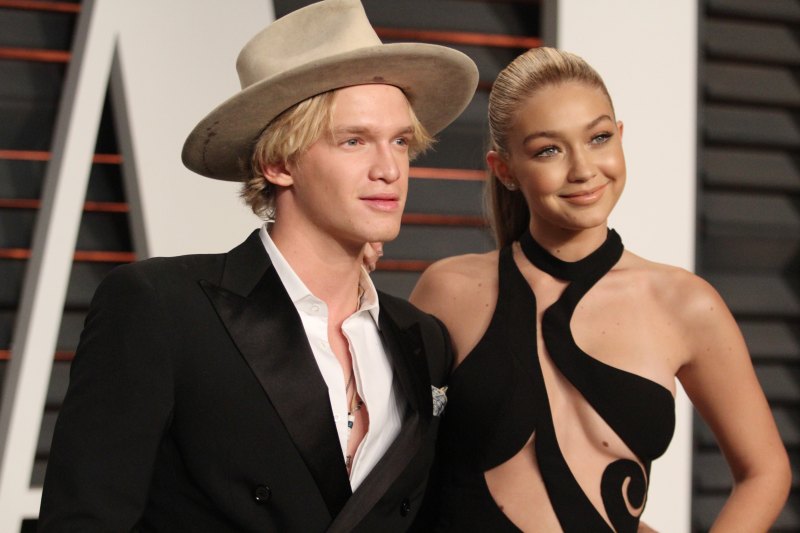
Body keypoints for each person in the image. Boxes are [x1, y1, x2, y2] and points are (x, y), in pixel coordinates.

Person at [37, 0, 478, 531]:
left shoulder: (421, 339)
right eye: (354, 140)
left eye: (401, 142)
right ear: (279, 161)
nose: (389, 170)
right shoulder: (162, 307)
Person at [409, 47, 790, 532]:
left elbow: (765, 470)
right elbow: (395, 471)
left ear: (621, 138)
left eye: (599, 138)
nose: (583, 169)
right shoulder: (448, 291)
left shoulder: (686, 305)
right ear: (504, 169)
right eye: (549, 149)